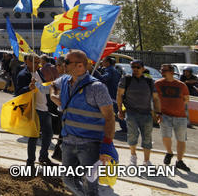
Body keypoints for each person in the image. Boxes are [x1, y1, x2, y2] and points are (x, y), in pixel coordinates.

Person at [51, 49, 117, 196]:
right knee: (68, 179)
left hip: (90, 145)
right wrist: (52, 96)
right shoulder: (65, 81)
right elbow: (53, 85)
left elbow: (110, 117)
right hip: (68, 142)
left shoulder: (96, 88)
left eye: (66, 62)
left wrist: (106, 145)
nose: (62, 65)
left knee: (90, 184)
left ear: (80, 65)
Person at [117, 59, 160, 166]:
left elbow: (155, 98)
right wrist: (120, 110)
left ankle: (146, 160)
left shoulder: (149, 81)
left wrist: (159, 113)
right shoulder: (126, 79)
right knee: (132, 135)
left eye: (138, 67)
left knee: (147, 137)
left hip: (146, 114)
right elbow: (119, 95)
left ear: (143, 68)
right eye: (133, 67)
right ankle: (133, 157)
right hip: (131, 113)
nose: (135, 69)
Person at [16, 54, 54, 167]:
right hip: (34, 109)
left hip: (44, 108)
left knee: (48, 134)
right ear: (27, 61)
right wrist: (28, 88)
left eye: (38, 62)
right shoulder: (23, 75)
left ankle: (43, 156)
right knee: (33, 136)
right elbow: (18, 92)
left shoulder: (39, 72)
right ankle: (30, 162)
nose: (38, 65)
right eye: (35, 62)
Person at [155, 64, 190, 171]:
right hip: (164, 115)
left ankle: (179, 161)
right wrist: (157, 112)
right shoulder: (158, 84)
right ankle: (169, 152)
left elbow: (186, 99)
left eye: (164, 70)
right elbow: (155, 99)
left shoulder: (181, 85)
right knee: (166, 136)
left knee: (181, 139)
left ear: (171, 72)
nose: (162, 72)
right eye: (161, 70)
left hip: (180, 116)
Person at [94, 56, 125, 132]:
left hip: (111, 94)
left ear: (108, 62)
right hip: (114, 93)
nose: (102, 62)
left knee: (116, 110)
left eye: (103, 61)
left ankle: (125, 128)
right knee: (116, 110)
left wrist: (94, 71)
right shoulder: (113, 69)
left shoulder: (109, 70)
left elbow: (103, 79)